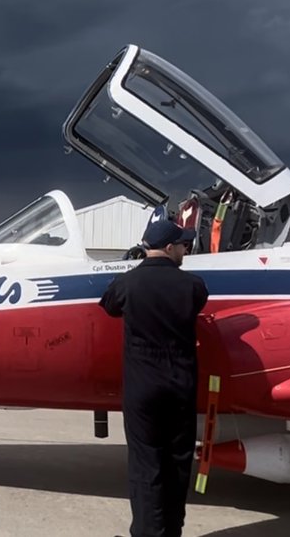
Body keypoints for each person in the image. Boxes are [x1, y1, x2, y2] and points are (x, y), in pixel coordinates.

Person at [99, 206, 210, 537]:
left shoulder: (128, 283)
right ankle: (171, 532)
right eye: (183, 245)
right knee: (178, 461)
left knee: (146, 464)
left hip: (143, 389)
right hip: (181, 385)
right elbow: (198, 303)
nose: (186, 250)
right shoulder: (193, 286)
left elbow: (108, 305)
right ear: (170, 247)